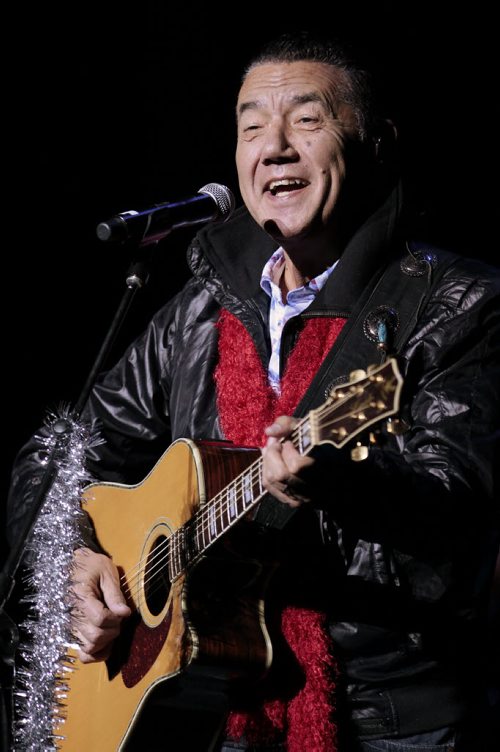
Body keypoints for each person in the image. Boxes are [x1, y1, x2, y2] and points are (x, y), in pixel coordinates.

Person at [6, 31, 500, 752]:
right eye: (250, 128)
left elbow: (461, 505)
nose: (274, 147)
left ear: (376, 141)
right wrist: (75, 560)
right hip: (221, 716)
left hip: (392, 717)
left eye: (306, 120)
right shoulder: (200, 311)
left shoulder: (456, 302)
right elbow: (55, 464)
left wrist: (338, 484)